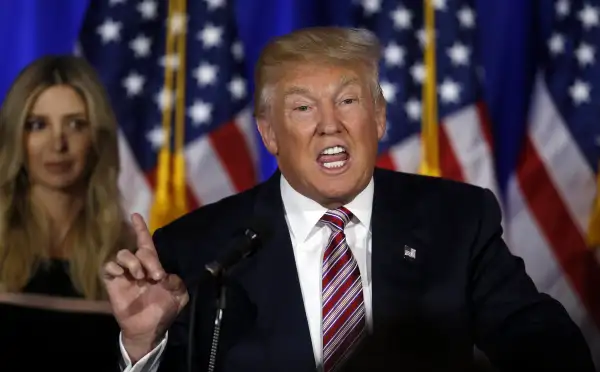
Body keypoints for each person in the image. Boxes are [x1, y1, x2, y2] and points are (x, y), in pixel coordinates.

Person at [103, 27, 595, 372]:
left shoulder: (458, 221)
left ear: (378, 118)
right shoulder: (199, 249)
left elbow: (544, 346)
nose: (329, 124)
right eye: (302, 107)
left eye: (348, 100)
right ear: (269, 133)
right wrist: (144, 344)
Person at [0, 55, 134, 370]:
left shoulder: (129, 256)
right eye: (38, 125)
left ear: (96, 138)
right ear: (16, 136)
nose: (57, 143)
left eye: (75, 124)